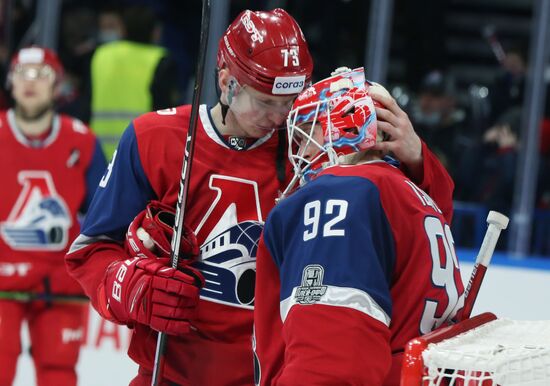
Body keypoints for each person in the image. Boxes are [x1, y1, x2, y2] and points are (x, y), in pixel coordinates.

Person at [65, 9, 455, 386]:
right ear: (226, 81)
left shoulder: (313, 148)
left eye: (290, 101)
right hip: (172, 374)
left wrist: (417, 157)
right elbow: (92, 248)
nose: (280, 116)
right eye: (266, 101)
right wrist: (129, 286)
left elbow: (428, 224)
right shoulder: (154, 139)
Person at [253, 68, 464, 386]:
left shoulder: (339, 194)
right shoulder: (414, 195)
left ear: (344, 128)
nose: (301, 152)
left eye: (309, 133)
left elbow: (332, 363)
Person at [0, 46, 107, 386]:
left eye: (41, 75)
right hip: (2, 285)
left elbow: (102, 214)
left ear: (58, 85)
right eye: (22, 74)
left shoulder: (83, 140)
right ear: (10, 83)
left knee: (58, 373)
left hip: (60, 285)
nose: (30, 83)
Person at [89, 5, 180, 159]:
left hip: (97, 151)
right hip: (138, 152)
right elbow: (165, 113)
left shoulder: (101, 54)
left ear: (123, 29)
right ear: (155, 32)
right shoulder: (161, 60)